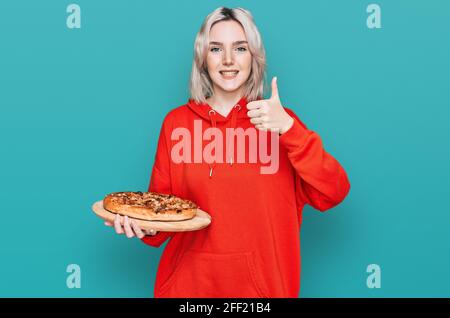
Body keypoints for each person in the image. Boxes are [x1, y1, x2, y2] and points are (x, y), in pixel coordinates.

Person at [105, 6, 350, 298]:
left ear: (254, 57)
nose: (229, 60)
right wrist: (142, 227)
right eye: (216, 49)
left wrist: (289, 128)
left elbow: (334, 190)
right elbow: (163, 214)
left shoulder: (281, 124)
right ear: (203, 59)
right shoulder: (176, 124)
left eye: (241, 48)